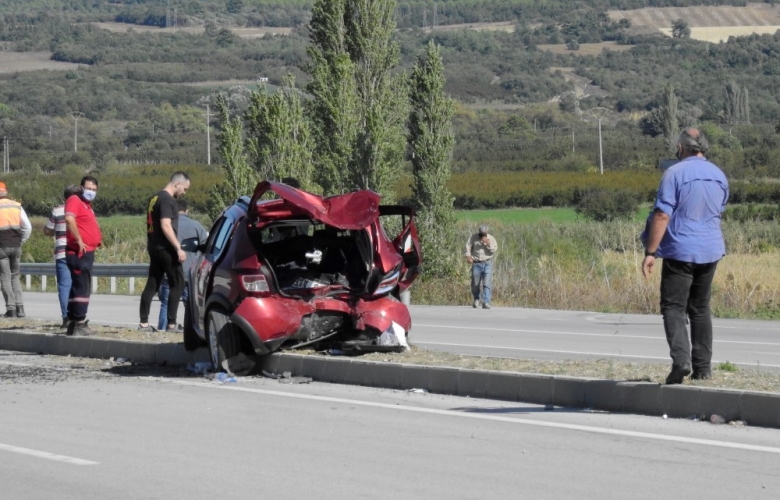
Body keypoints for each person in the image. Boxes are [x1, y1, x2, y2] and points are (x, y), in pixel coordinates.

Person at [642, 127, 729, 385]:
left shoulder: (674, 173)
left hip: (680, 250)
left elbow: (662, 215)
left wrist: (650, 252)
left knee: (673, 307)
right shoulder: (719, 174)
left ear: (681, 148)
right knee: (700, 308)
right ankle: (703, 369)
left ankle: (681, 361)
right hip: (711, 249)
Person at [139, 171, 191, 333]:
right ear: (177, 184)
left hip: (154, 246)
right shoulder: (167, 200)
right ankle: (171, 324)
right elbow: (166, 225)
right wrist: (178, 247)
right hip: (166, 248)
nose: (184, 192)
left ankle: (144, 323)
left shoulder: (154, 198)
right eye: (185, 188)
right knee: (178, 283)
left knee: (153, 284)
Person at [156, 198, 207, 331]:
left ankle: (162, 330)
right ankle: (191, 331)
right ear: (187, 210)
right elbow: (206, 247)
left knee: (166, 303)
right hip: (189, 272)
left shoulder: (165, 226)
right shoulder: (196, 225)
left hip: (169, 272)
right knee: (190, 305)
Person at [64, 176, 103, 336]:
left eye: (94, 190)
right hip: (79, 251)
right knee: (82, 287)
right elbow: (69, 219)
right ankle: (80, 322)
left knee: (78, 286)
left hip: (87, 250)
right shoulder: (75, 200)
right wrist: (80, 239)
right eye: (88, 189)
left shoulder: (87, 205)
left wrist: (97, 240)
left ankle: (73, 322)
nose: (91, 192)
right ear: (81, 188)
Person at [44, 184, 81, 328]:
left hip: (61, 252)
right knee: (79, 285)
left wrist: (51, 232)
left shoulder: (57, 210)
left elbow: (48, 230)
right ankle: (78, 317)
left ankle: (66, 318)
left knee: (65, 286)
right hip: (78, 250)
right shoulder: (82, 209)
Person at [0, 182, 32, 318]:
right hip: (16, 246)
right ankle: (20, 308)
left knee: (5, 278)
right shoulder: (16, 206)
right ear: (6, 192)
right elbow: (28, 227)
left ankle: (11, 309)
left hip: (1, 247)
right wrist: (21, 241)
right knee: (15, 276)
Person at [465, 223, 498, 309]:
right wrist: (468, 256)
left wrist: (487, 243)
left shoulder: (491, 238)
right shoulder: (473, 238)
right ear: (479, 232)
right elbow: (468, 247)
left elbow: (494, 250)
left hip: (487, 263)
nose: (483, 235)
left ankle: (486, 302)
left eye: (484, 233)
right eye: (481, 233)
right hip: (476, 263)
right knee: (475, 284)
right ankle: (476, 299)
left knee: (487, 283)